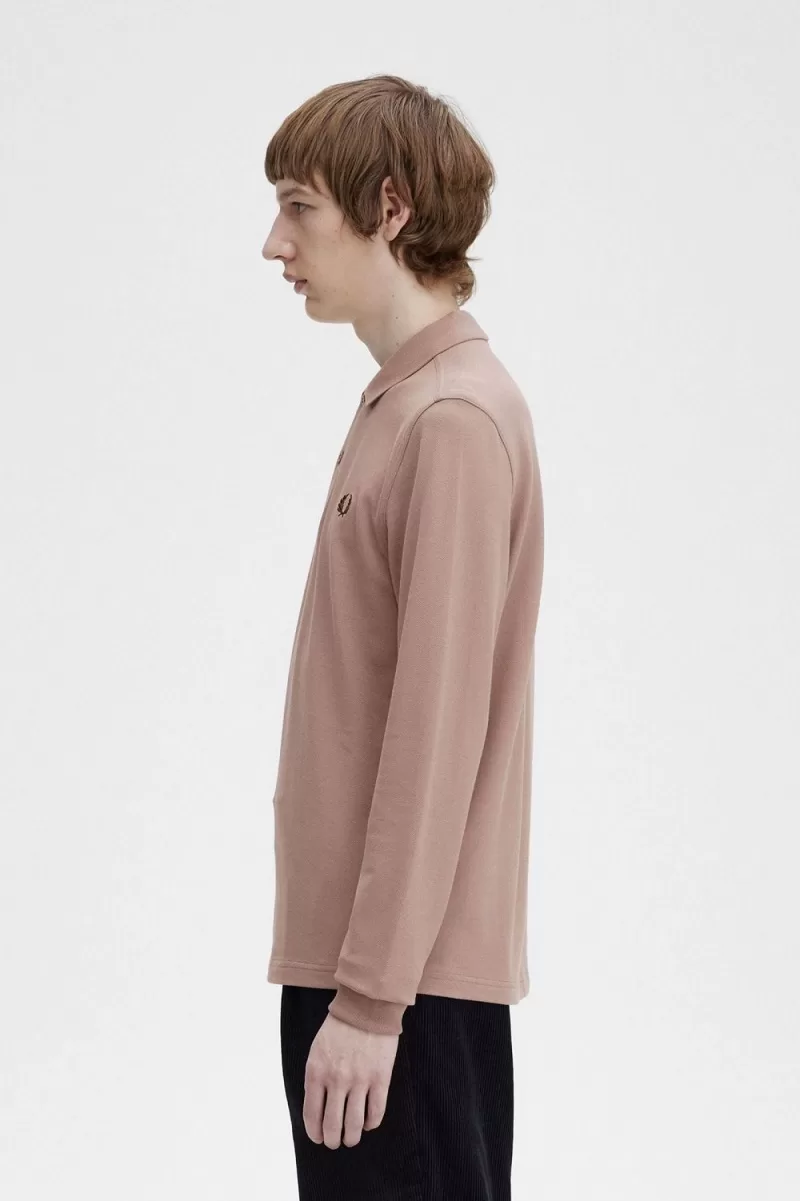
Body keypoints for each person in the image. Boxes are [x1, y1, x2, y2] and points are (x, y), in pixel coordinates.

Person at [261, 73, 545, 1200]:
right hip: (368, 974)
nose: (275, 244)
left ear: (388, 207)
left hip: (398, 993)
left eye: (299, 207)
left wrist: (372, 1001)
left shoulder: (451, 421)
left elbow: (434, 739)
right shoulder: (405, 402)